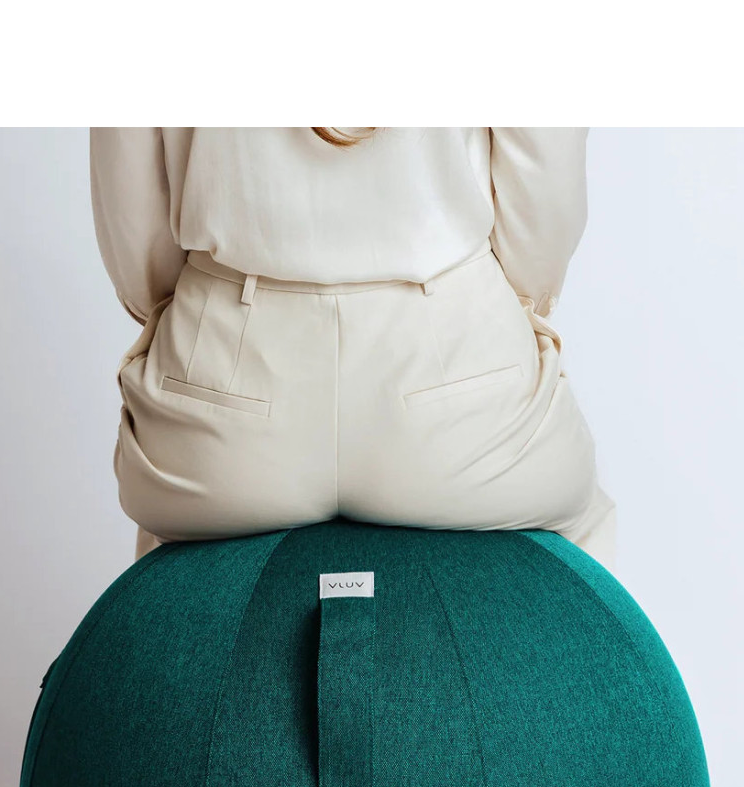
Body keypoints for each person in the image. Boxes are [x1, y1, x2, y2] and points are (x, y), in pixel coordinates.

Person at [89, 127, 616, 566]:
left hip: (226, 380)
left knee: (175, 538)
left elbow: (133, 215)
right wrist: (510, 302)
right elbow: (545, 192)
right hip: (457, 379)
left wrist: (193, 315)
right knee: (583, 521)